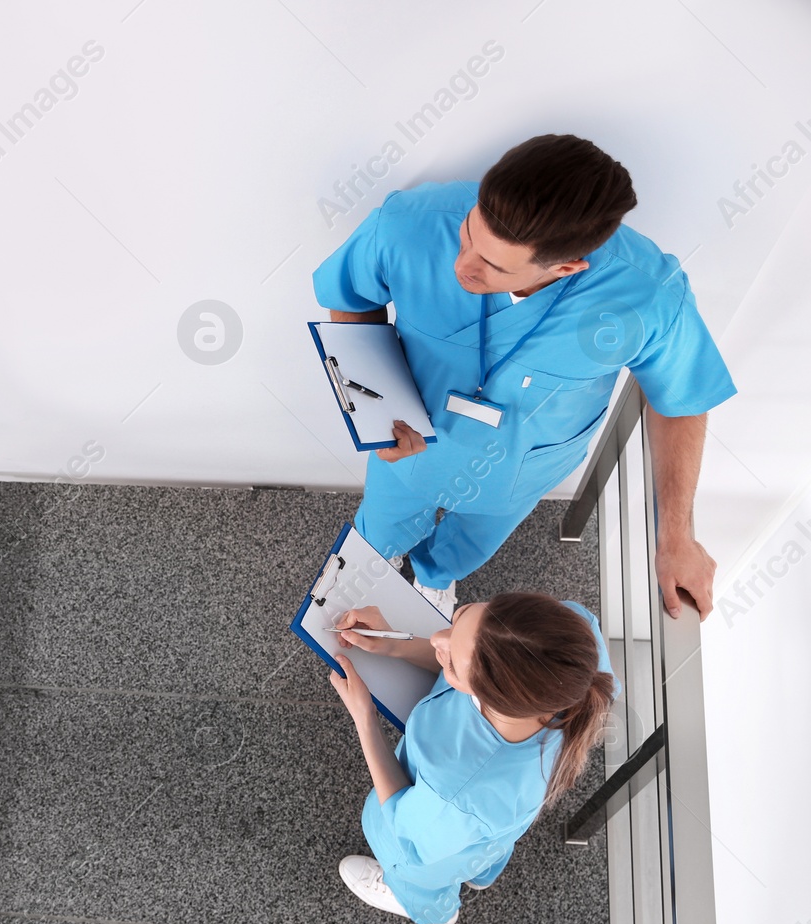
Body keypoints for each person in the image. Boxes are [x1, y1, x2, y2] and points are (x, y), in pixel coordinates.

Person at [312, 134, 735, 618]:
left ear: (566, 267)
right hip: (409, 448)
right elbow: (350, 299)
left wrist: (676, 535)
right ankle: (369, 568)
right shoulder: (408, 223)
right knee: (379, 527)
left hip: (520, 468)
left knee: (470, 545)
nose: (462, 266)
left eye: (492, 265)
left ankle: (434, 579)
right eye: (469, 233)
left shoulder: (649, 296)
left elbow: (681, 399)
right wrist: (377, 413)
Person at [326, 593, 617, 924]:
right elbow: (477, 661)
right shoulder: (574, 638)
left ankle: (438, 911)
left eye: (451, 665)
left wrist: (365, 718)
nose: (437, 638)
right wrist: (396, 644)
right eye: (460, 617)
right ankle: (481, 873)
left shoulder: (459, 787)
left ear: (496, 697)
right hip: (492, 825)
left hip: (428, 839)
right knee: (483, 848)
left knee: (415, 875)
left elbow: (405, 826)